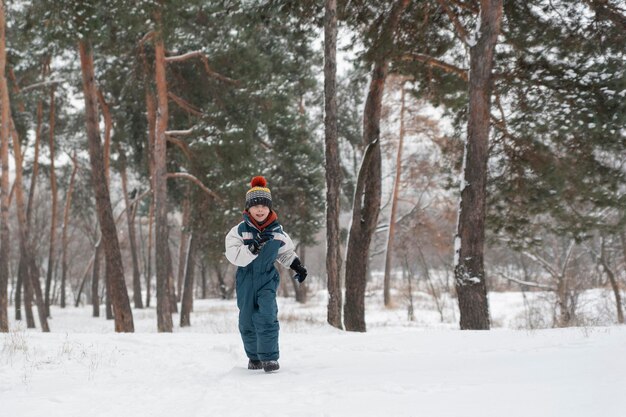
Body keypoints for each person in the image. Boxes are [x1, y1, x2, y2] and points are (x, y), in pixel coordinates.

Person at [224, 176, 308, 373]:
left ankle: (269, 358)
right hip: (245, 279)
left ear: (269, 208)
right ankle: (254, 356)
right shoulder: (239, 231)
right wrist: (252, 249)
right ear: (248, 208)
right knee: (246, 318)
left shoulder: (277, 232)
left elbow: (285, 253)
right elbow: (233, 255)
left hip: (267, 279)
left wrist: (297, 266)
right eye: (255, 206)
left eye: (264, 205)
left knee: (267, 315)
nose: (260, 209)